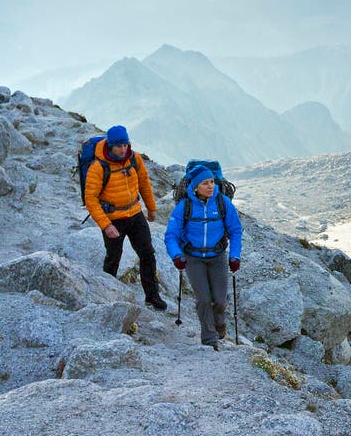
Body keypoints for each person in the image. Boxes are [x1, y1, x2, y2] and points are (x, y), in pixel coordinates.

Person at [84, 125, 167, 311]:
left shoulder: (134, 158)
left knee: (147, 254)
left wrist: (151, 209)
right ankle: (106, 296)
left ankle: (152, 296)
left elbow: (145, 183)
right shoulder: (98, 167)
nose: (123, 149)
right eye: (119, 146)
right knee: (113, 258)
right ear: (110, 146)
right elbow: (91, 199)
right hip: (114, 218)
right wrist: (106, 225)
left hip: (135, 214)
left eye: (125, 145)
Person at [165, 164, 244, 346]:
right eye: (204, 183)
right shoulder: (184, 207)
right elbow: (171, 235)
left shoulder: (223, 203)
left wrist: (235, 256)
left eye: (212, 182)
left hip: (217, 257)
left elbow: (235, 231)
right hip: (193, 258)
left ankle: (220, 325)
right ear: (194, 187)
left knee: (220, 301)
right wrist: (177, 255)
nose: (210, 186)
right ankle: (209, 338)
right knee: (203, 299)